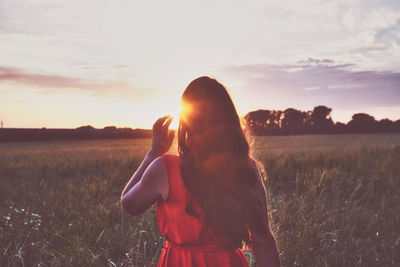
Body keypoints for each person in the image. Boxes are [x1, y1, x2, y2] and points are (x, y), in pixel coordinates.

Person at [121, 76, 281, 267]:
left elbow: (129, 204)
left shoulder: (164, 168)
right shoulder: (247, 168)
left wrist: (153, 152)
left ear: (187, 122)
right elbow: (263, 239)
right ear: (229, 119)